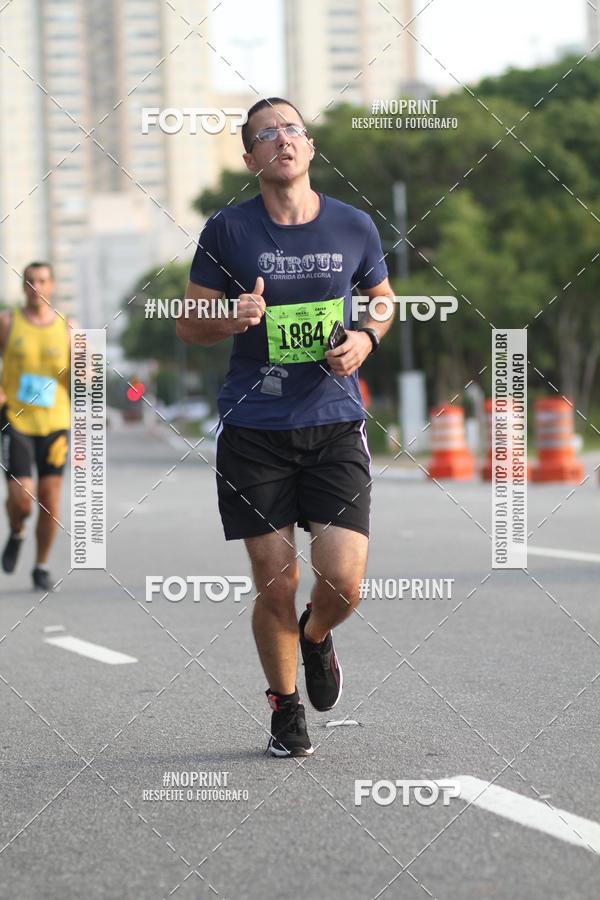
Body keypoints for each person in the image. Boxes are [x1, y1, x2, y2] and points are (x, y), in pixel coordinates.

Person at [177, 97, 395, 757]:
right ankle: (285, 708)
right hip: (255, 427)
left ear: (310, 146)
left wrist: (366, 337)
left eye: (292, 129)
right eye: (266, 134)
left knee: (344, 583)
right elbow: (188, 324)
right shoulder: (227, 231)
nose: (282, 139)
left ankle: (316, 636)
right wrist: (232, 318)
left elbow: (383, 300)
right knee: (276, 580)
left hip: (333, 422)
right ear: (251, 158)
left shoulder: (354, 225)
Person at [0, 262, 74, 591]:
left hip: (55, 422)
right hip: (16, 419)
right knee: (21, 499)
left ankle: (40, 565)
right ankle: (17, 531)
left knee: (50, 498)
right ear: (23, 287)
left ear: (52, 285)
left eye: (42, 281)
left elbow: (84, 375)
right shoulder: (7, 322)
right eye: (30, 281)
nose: (36, 287)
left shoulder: (68, 327)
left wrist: (86, 369)